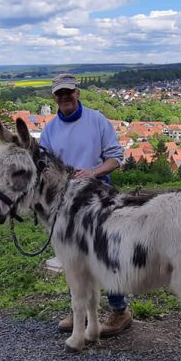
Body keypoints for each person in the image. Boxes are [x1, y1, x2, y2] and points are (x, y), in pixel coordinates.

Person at [39, 73, 132, 336]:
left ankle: (119, 310)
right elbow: (44, 167)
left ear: (77, 92)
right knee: (72, 258)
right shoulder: (50, 130)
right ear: (54, 97)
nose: (65, 97)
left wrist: (92, 172)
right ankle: (77, 310)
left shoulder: (97, 120)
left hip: (99, 194)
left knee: (105, 252)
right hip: (65, 202)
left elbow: (116, 158)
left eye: (69, 92)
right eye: (59, 93)